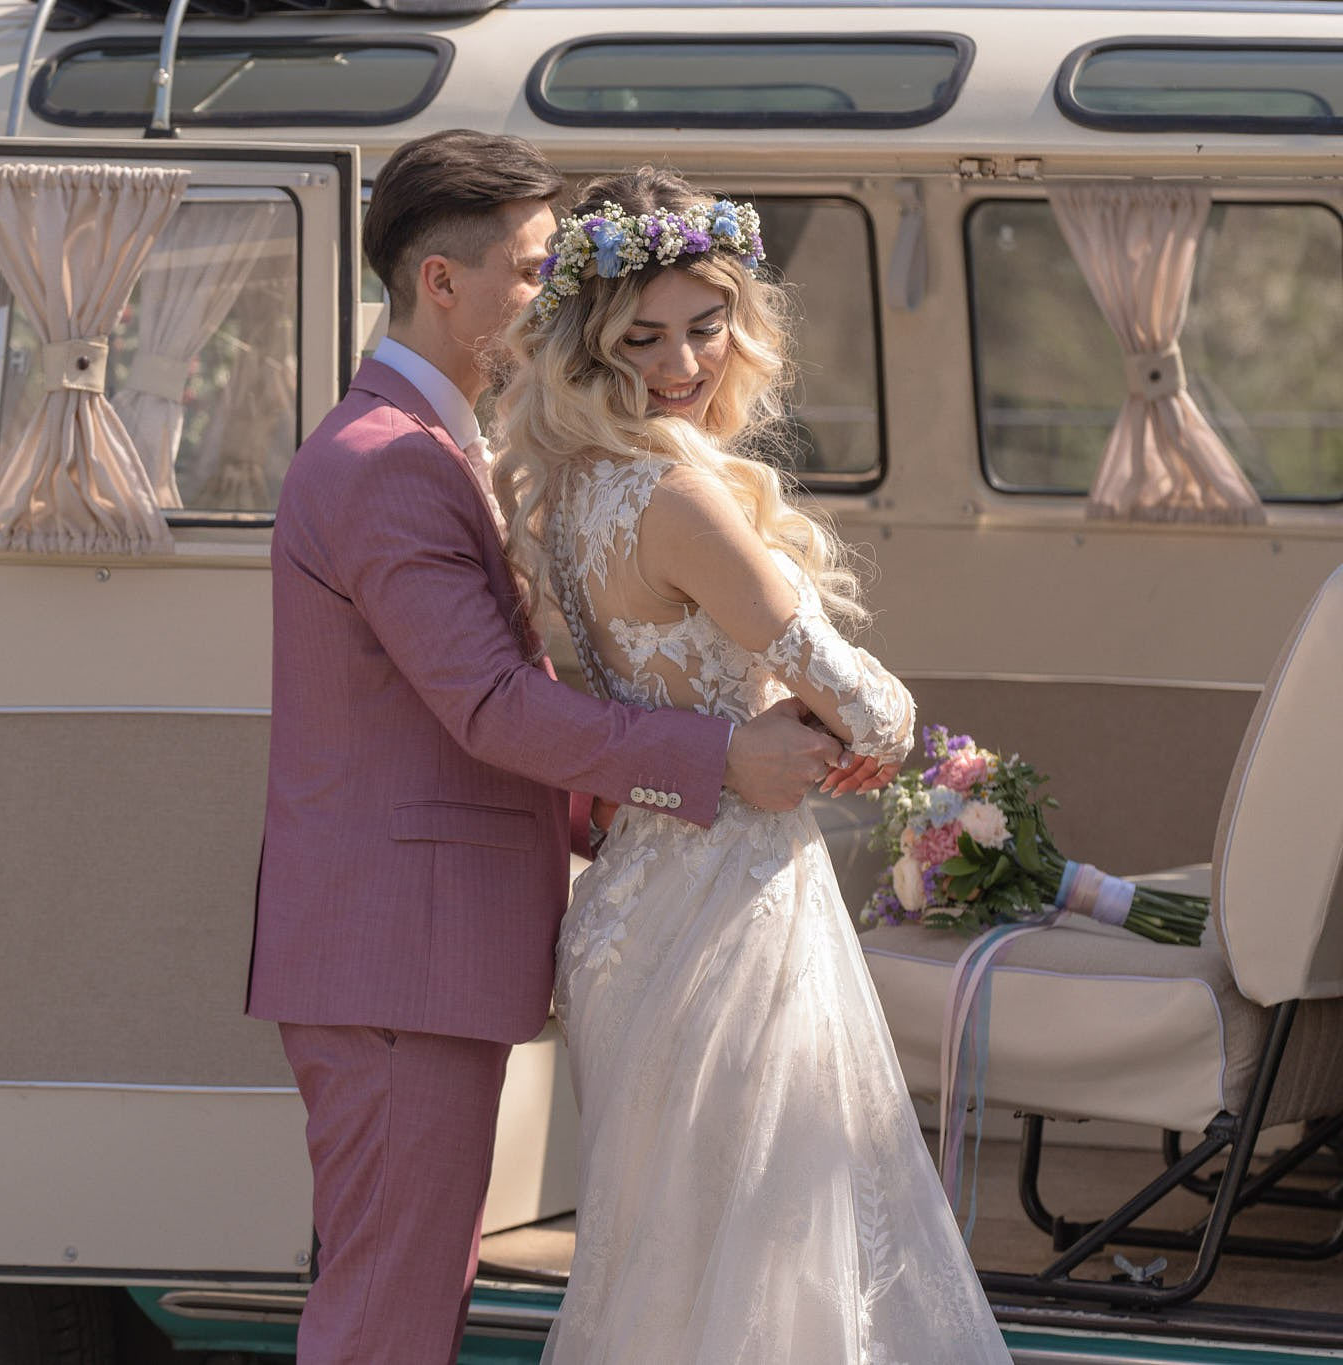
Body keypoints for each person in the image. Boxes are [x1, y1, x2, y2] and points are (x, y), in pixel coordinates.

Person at [247, 132, 864, 1365]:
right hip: (393, 960)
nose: (562, 294)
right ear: (440, 282)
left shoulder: (439, 451)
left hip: (420, 952)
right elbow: (488, 707)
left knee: (413, 1293)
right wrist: (712, 761)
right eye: (536, 270)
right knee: (387, 1308)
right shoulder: (382, 464)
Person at [494, 166, 1011, 1362]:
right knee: (774, 1242)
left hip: (629, 904)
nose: (681, 361)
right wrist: (849, 738)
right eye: (644, 336)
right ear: (588, 339)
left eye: (704, 325)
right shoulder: (677, 497)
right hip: (729, 903)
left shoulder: (565, 492)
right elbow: (870, 705)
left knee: (668, 1256)